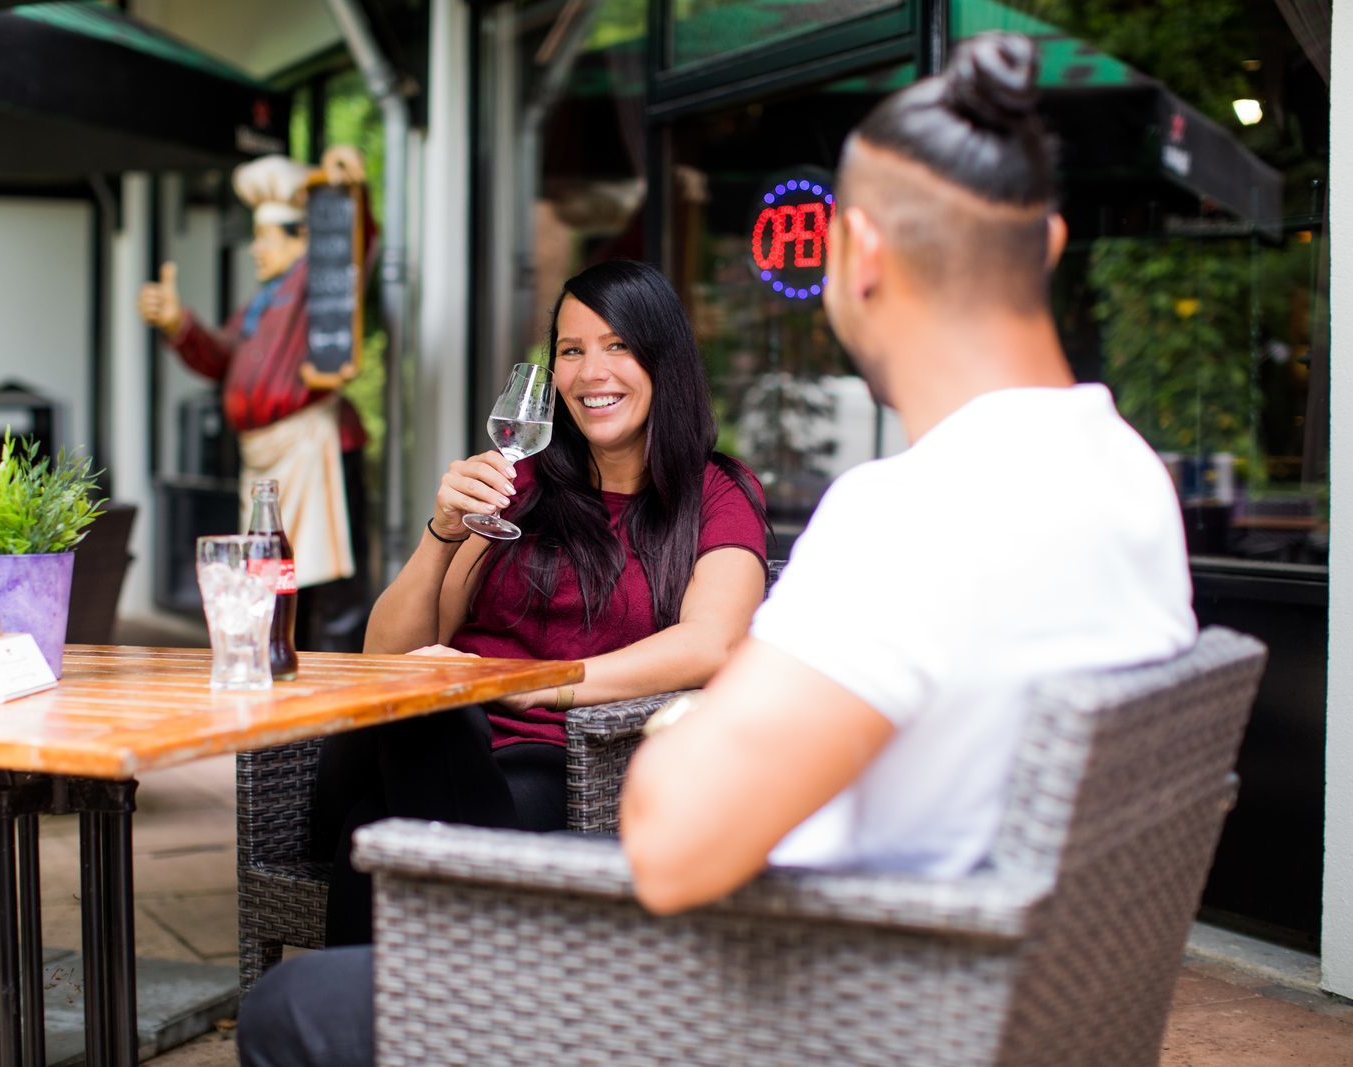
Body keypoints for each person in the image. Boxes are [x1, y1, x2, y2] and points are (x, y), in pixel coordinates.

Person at [236, 33, 1197, 1065]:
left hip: (801, 991)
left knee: (288, 1006)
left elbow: (674, 839)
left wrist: (676, 724)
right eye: (572, 348)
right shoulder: (1128, 479)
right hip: (955, 985)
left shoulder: (904, 512)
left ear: (859, 256)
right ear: (1046, 243)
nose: (590, 370)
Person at [235, 258, 768, 1066]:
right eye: (570, 349)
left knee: (371, 822)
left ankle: (366, 1029)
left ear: (664, 359)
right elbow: (392, 649)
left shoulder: (714, 493)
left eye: (618, 345)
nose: (591, 372)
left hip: (555, 764)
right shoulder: (523, 485)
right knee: (413, 710)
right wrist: (444, 527)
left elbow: (714, 642)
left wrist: (528, 683)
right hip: (435, 741)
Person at [139, 148, 372, 648]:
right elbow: (223, 360)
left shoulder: (314, 284)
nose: (255, 248)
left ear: (303, 238)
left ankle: (334, 688)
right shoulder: (263, 303)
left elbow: (354, 249)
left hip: (313, 449)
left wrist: (349, 201)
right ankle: (285, 666)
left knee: (327, 588)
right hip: (269, 459)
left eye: (266, 237)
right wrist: (181, 324)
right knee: (275, 575)